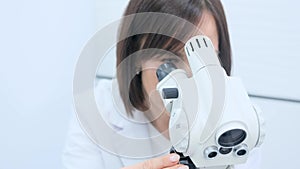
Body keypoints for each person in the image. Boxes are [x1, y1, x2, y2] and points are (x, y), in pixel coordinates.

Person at [62, 0, 261, 169]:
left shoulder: (240, 119)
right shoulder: (95, 110)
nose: (191, 78)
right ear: (136, 58)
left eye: (202, 59)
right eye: (170, 62)